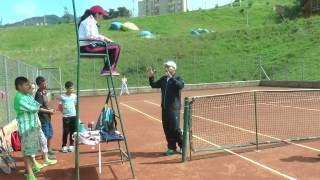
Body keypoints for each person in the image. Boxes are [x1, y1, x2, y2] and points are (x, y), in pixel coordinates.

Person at [147, 61, 184, 156]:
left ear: (174, 69)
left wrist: (171, 78)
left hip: (174, 109)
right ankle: (171, 148)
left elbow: (179, 86)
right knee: (167, 128)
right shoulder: (164, 79)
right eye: (165, 66)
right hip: (164, 108)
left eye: (168, 66)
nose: (166, 68)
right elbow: (153, 85)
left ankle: (182, 146)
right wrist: (151, 77)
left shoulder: (178, 78)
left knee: (175, 129)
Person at [78, 5, 121, 76]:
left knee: (113, 46)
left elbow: (93, 37)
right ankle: (108, 69)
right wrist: (104, 38)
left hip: (89, 46)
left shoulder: (91, 21)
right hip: (87, 48)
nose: (103, 17)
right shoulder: (89, 20)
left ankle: (108, 69)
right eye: (102, 15)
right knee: (116, 47)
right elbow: (90, 36)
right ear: (97, 14)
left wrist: (106, 42)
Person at [14, 77, 40, 180]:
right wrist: (35, 107)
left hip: (32, 127)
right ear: (19, 86)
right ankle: (30, 175)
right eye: (26, 85)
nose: (29, 86)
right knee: (27, 152)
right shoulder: (19, 97)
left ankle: (28, 170)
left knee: (31, 150)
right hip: (26, 129)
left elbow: (36, 105)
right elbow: (33, 108)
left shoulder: (27, 95)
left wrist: (35, 106)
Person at [28, 83, 57, 168]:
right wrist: (48, 111)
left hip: (38, 121)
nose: (33, 90)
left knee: (44, 139)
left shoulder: (33, 98)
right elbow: (38, 109)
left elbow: (36, 110)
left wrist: (37, 120)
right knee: (32, 144)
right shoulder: (33, 97)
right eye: (31, 88)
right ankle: (32, 164)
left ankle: (46, 158)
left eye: (34, 88)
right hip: (31, 124)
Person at [34, 76, 55, 155]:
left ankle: (48, 149)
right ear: (40, 84)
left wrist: (50, 109)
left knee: (50, 134)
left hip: (47, 118)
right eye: (44, 83)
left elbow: (45, 104)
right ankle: (45, 153)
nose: (46, 84)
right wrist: (49, 111)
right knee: (45, 136)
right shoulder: (38, 94)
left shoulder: (44, 92)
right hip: (43, 118)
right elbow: (38, 108)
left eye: (45, 82)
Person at [58, 81, 77, 153]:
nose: (72, 89)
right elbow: (60, 106)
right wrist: (63, 113)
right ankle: (64, 145)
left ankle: (71, 145)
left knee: (73, 131)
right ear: (66, 88)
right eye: (71, 88)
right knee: (66, 131)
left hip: (73, 116)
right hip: (66, 117)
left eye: (72, 88)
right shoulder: (62, 96)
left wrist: (76, 113)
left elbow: (76, 105)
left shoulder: (74, 96)